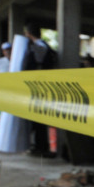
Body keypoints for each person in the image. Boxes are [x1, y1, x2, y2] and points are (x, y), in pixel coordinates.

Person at [23, 22, 59, 156]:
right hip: (43, 85)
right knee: (38, 119)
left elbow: (35, 65)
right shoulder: (44, 46)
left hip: (40, 86)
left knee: (39, 119)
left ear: (28, 34)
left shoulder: (38, 47)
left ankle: (42, 147)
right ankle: (40, 146)